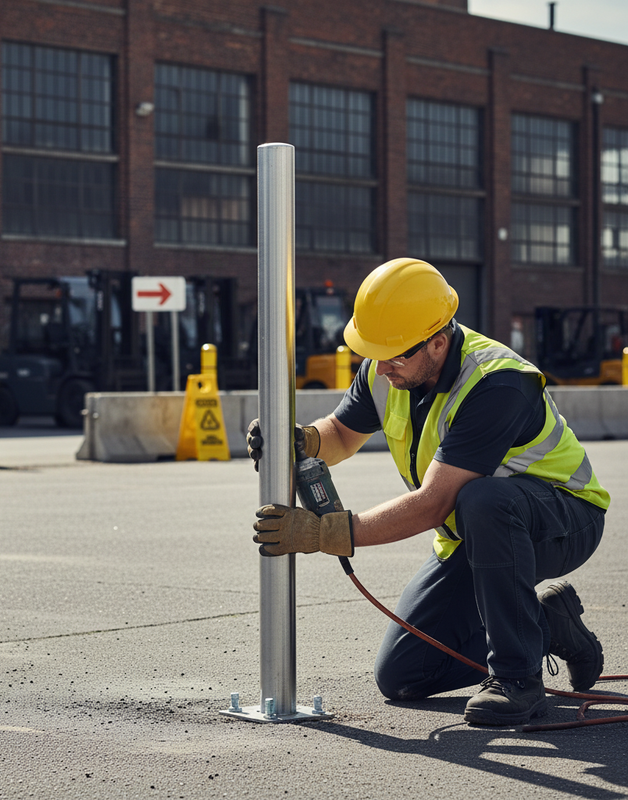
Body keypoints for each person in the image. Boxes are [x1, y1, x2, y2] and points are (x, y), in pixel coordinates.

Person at [247, 258, 609, 727]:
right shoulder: (389, 364)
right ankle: (548, 625)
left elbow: (435, 502)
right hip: (476, 537)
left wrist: (324, 533)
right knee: (403, 675)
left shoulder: (496, 382)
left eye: (394, 354)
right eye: (373, 352)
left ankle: (518, 680)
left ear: (438, 342)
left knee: (483, 499)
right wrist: (305, 440)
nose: (381, 366)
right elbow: (341, 432)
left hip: (563, 520)